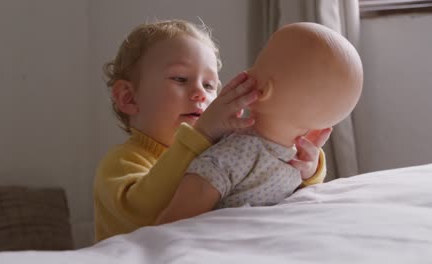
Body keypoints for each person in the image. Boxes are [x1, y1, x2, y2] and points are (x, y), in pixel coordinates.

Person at [94, 19, 329, 241]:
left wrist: (306, 168)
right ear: (128, 97)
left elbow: (262, 179)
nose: (200, 93)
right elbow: (145, 214)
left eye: (209, 85)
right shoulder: (122, 161)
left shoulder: (221, 148)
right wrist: (201, 135)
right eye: (180, 78)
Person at [156, 22, 362, 224]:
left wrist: (311, 171)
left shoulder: (236, 153)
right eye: (180, 79)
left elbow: (171, 223)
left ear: (262, 91)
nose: (249, 69)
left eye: (257, 64)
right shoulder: (286, 162)